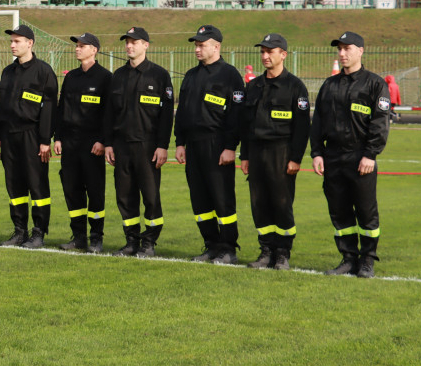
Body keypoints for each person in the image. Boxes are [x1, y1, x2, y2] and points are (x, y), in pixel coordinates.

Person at [310, 31, 390, 279]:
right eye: (340, 49)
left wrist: (370, 154)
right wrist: (317, 153)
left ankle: (367, 260)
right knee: (339, 210)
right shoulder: (329, 85)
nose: (342, 53)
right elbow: (317, 122)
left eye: (348, 49)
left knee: (366, 211)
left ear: (360, 51)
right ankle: (347, 258)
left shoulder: (375, 84)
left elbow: (380, 122)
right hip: (333, 157)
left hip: (360, 158)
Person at [174, 24, 245, 264]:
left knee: (222, 197)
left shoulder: (230, 75)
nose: (197, 48)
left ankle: (228, 248)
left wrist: (229, 147)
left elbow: (236, 115)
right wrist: (180, 142)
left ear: (216, 46)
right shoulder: (191, 75)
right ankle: (211, 245)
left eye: (202, 44)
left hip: (217, 145)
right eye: (196, 44)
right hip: (193, 144)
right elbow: (181, 111)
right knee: (200, 198)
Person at [238, 34, 309, 271]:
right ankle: (266, 250)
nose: (265, 56)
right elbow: (246, 124)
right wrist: (245, 155)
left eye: (270, 51)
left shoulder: (295, 86)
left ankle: (282, 253)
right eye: (262, 52)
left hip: (282, 151)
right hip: (257, 152)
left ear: (283, 54)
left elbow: (302, 127)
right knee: (259, 204)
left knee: (281, 203)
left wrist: (295, 158)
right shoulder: (254, 85)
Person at [104, 27, 174, 257]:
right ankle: (131, 240)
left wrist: (163, 145)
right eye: (127, 42)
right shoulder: (118, 76)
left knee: (151, 196)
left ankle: (149, 242)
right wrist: (109, 144)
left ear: (146, 45)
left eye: (134, 42)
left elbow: (166, 116)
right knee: (125, 196)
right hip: (122, 146)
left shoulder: (159, 75)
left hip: (148, 146)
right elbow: (109, 114)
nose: (129, 46)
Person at [0, 24, 58, 249]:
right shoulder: (7, 72)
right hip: (9, 137)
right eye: (11, 41)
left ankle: (38, 232)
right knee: (15, 186)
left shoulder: (43, 71)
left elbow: (49, 109)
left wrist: (44, 140)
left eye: (17, 41)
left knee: (37, 185)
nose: (12, 45)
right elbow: (0, 106)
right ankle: (19, 231)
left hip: (32, 136)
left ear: (30, 43)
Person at [52, 33, 112, 253]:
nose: (77, 49)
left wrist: (102, 140)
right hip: (70, 143)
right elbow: (61, 109)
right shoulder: (71, 77)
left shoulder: (105, 77)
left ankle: (96, 238)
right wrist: (57, 137)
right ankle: (78, 237)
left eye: (82, 46)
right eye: (76, 46)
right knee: (72, 190)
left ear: (94, 50)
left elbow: (109, 113)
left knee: (95, 191)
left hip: (92, 144)